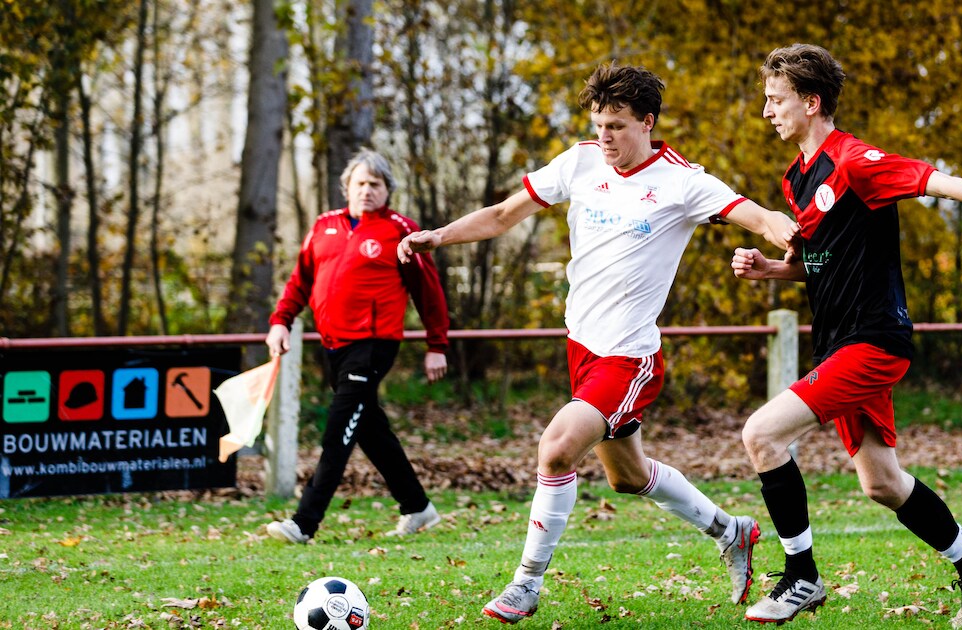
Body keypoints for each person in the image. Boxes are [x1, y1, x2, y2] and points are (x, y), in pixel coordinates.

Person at [398, 63, 797, 623]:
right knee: (627, 477)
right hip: (580, 347)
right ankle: (732, 531)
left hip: (628, 356)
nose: (605, 137)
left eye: (617, 125)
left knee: (557, 447)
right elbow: (501, 215)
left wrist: (781, 225)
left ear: (648, 123)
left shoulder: (682, 180)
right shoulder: (580, 162)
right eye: (599, 124)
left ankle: (526, 584)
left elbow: (751, 214)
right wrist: (440, 235)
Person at [729, 44, 962, 627]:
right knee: (882, 483)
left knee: (762, 435)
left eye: (776, 99)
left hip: (873, 341)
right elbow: (823, 261)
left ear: (811, 102)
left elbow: (940, 183)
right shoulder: (798, 177)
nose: (767, 111)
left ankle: (802, 578)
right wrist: (773, 271)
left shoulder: (855, 161)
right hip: (839, 343)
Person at [264, 148, 451, 544]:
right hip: (332, 344)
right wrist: (281, 321)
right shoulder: (323, 226)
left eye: (376, 184)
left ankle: (304, 523)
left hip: (373, 345)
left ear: (387, 191)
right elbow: (300, 280)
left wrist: (437, 344)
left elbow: (428, 292)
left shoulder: (401, 229)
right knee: (369, 429)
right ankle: (418, 507)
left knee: (339, 431)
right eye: (360, 183)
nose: (367, 190)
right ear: (346, 186)